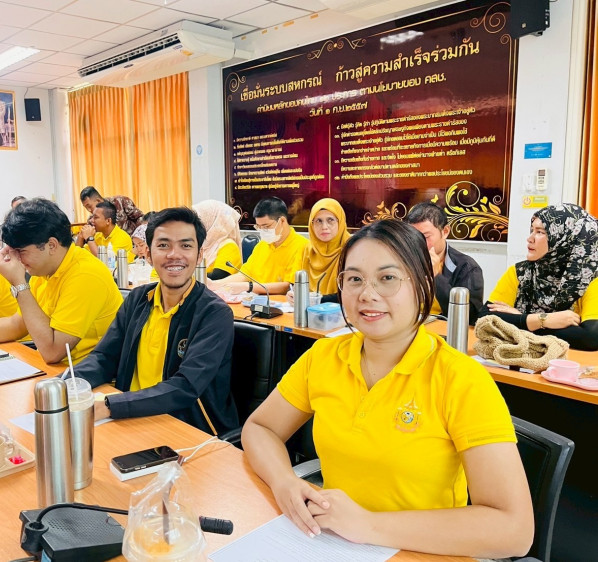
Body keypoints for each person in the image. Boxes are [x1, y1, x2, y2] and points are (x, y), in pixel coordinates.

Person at [241, 219, 533, 557]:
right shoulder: (323, 357)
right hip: (331, 543)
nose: (367, 294)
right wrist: (285, 483)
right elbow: (260, 428)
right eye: (354, 279)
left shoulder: (460, 378)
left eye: (388, 278)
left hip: (422, 551)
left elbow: (514, 529)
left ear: (423, 284)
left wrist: (368, 525)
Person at [71, 207, 239, 435]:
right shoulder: (138, 299)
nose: (174, 255)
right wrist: (66, 384)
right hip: (130, 417)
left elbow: (185, 387)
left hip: (185, 428)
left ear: (200, 255)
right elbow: (105, 357)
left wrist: (110, 406)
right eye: (163, 245)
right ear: (148, 254)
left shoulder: (214, 313)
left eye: (186, 246)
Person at [0, 199, 122, 365]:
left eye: (21, 251)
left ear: (51, 245)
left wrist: (19, 283)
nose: (17, 259)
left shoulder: (84, 274)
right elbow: (17, 325)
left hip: (89, 378)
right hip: (60, 370)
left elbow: (53, 352)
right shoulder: (45, 270)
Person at [482, 203, 598, 350]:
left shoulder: (590, 278)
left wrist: (520, 320)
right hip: (519, 356)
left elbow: (590, 338)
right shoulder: (519, 272)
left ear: (564, 239)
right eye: (532, 230)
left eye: (540, 232)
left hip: (568, 361)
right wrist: (541, 320)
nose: (530, 238)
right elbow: (484, 318)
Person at [209, 197, 307, 295]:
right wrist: (216, 284)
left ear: (282, 221)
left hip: (282, 302)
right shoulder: (261, 245)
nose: (262, 231)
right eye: (258, 227)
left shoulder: (302, 246)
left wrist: (249, 287)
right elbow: (244, 275)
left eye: (266, 226)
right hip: (257, 300)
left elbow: (288, 286)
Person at [407, 202, 484, 325]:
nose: (418, 243)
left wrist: (436, 276)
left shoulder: (467, 267)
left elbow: (471, 317)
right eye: (412, 237)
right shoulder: (402, 260)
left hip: (444, 329)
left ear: (445, 231)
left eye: (425, 237)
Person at [288, 198, 349, 303]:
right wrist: (293, 295)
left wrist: (315, 300)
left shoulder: (351, 250)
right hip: (308, 309)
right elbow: (295, 284)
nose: (324, 227)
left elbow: (350, 292)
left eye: (330, 220)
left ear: (340, 222)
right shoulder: (306, 249)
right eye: (318, 221)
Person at [192, 199, 242, 280]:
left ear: (213, 222)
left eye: (199, 221)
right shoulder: (203, 244)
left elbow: (217, 276)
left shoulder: (229, 246)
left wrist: (185, 276)